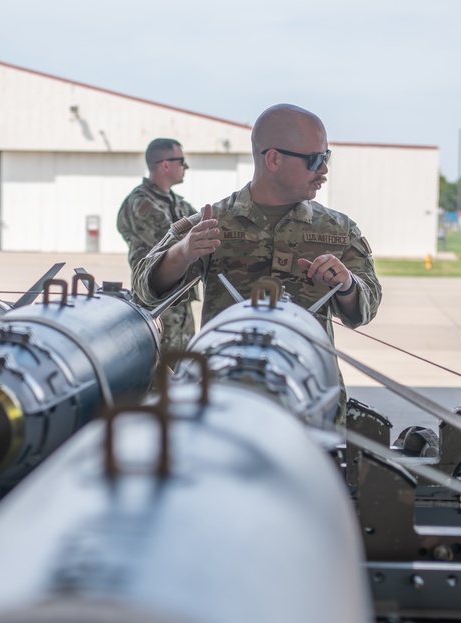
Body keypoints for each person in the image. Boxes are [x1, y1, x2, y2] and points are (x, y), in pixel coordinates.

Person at [132, 104, 382, 421]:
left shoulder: (338, 231)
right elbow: (144, 288)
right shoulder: (212, 222)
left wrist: (347, 286)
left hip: (307, 400)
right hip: (221, 401)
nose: (324, 171)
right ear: (273, 159)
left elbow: (366, 308)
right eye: (316, 160)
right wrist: (183, 252)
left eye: (326, 158)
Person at [117, 138, 199, 353]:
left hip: (180, 300)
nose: (185, 167)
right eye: (181, 161)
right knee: (156, 371)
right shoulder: (141, 203)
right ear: (165, 165)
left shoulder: (177, 203)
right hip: (156, 303)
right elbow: (168, 241)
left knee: (184, 370)